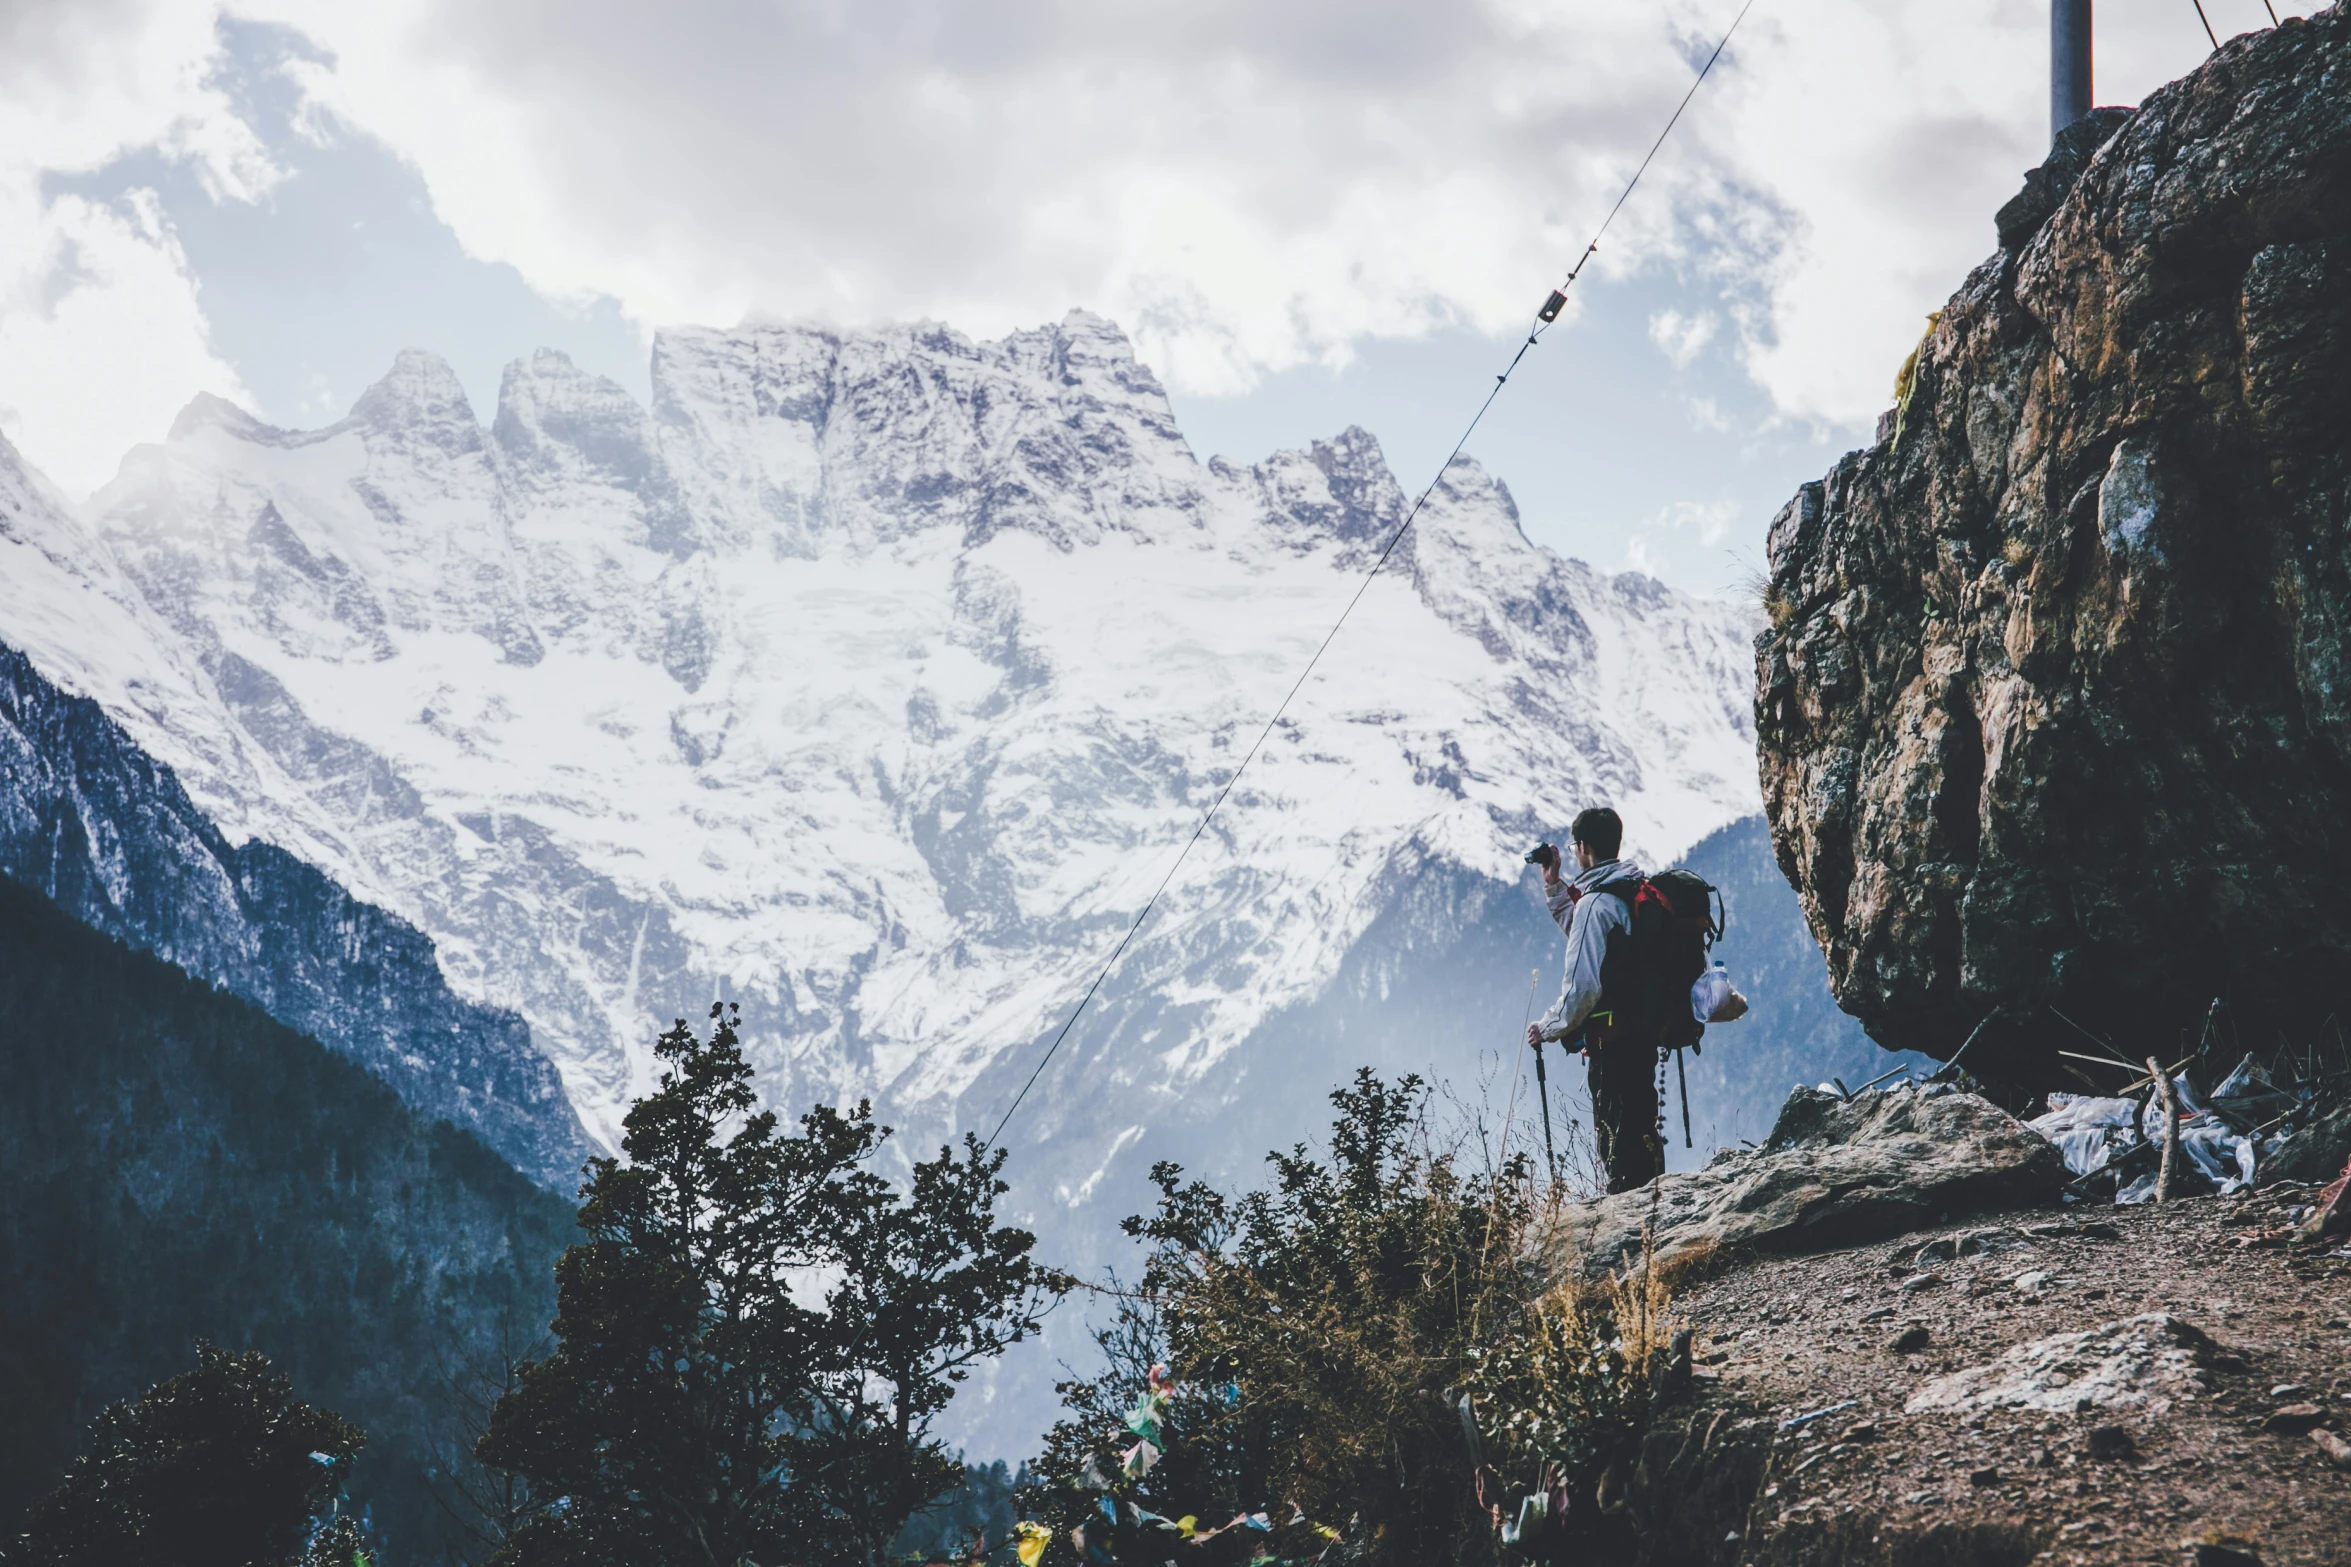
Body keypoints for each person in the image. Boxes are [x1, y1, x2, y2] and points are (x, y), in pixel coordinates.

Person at [1526, 806, 1661, 1193]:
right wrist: (1555, 886)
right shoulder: (1633, 887)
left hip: (1612, 1043)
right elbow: (1594, 939)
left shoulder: (1595, 903)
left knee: (1617, 1140)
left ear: (1582, 847)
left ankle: (1632, 1230)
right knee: (1643, 1129)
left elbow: (1581, 989)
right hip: (1645, 1030)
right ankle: (1656, 1210)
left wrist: (1547, 1027)